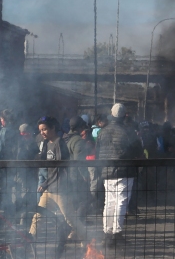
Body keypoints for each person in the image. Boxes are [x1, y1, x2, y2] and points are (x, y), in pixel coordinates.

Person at [29, 116, 86, 245]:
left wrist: (45, 183)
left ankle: (87, 240)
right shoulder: (47, 143)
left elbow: (60, 168)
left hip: (60, 189)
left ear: (53, 128)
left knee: (70, 219)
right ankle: (29, 240)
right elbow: (45, 163)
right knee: (38, 216)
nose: (42, 132)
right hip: (50, 189)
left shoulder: (59, 143)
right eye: (40, 130)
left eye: (44, 129)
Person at [97, 103, 142, 239]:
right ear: (124, 115)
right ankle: (117, 232)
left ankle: (107, 231)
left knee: (109, 201)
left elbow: (98, 151)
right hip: (124, 170)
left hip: (106, 170)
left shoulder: (102, 132)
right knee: (121, 201)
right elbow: (138, 151)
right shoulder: (128, 131)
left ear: (111, 114)